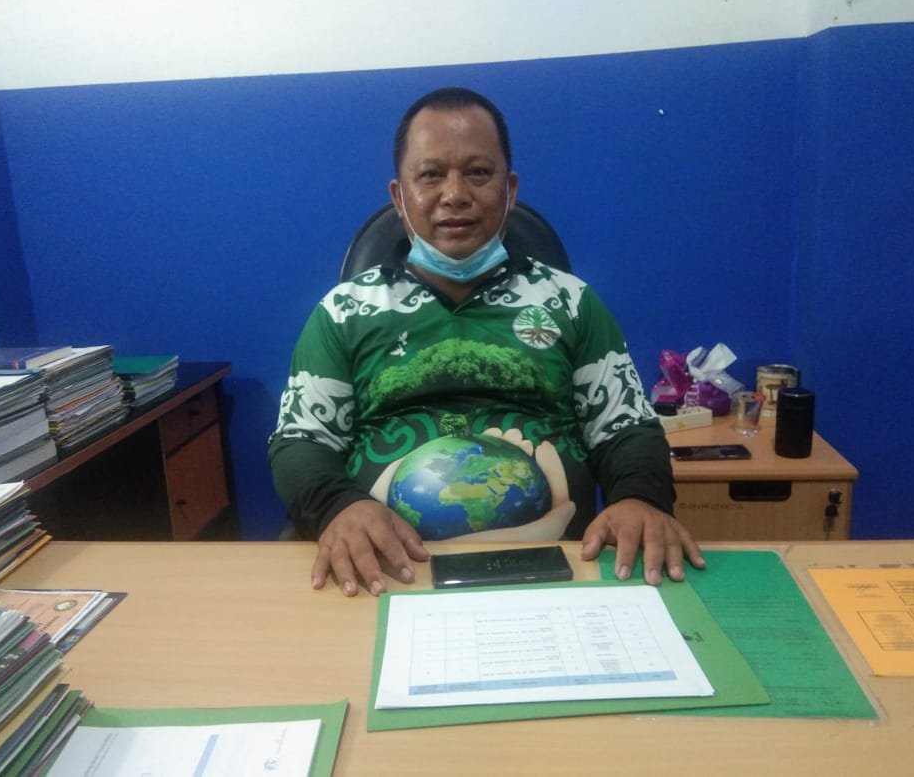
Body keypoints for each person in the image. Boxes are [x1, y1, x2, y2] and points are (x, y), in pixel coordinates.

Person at [268, 87, 704, 596]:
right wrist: (337, 507)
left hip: (560, 570)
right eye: (430, 175)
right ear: (399, 196)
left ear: (510, 190)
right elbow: (301, 441)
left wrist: (640, 498)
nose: (455, 194)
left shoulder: (571, 302)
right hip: (385, 572)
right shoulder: (343, 311)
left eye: (478, 173)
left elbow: (626, 427)